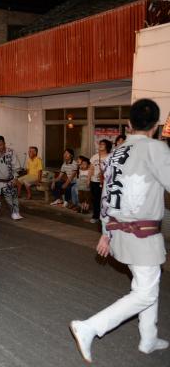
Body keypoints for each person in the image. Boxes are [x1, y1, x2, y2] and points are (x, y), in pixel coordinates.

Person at [70, 98, 170, 363]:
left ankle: (148, 338)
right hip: (143, 235)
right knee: (146, 291)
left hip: (119, 231)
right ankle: (90, 327)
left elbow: (107, 196)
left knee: (147, 283)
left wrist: (106, 232)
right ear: (157, 126)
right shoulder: (155, 148)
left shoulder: (116, 153)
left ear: (128, 124)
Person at [0, 136, 23, 220]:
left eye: (1, 145)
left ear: (4, 143)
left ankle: (15, 213)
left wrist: (15, 178)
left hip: (9, 180)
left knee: (12, 198)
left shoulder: (11, 152)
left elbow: (16, 167)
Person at [88, 139, 112, 223]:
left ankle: (105, 216)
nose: (100, 145)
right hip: (94, 181)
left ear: (107, 146)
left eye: (103, 144)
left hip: (106, 182)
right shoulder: (94, 156)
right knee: (95, 200)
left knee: (105, 200)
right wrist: (88, 180)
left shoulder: (110, 156)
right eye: (100, 144)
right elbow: (91, 169)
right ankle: (95, 216)